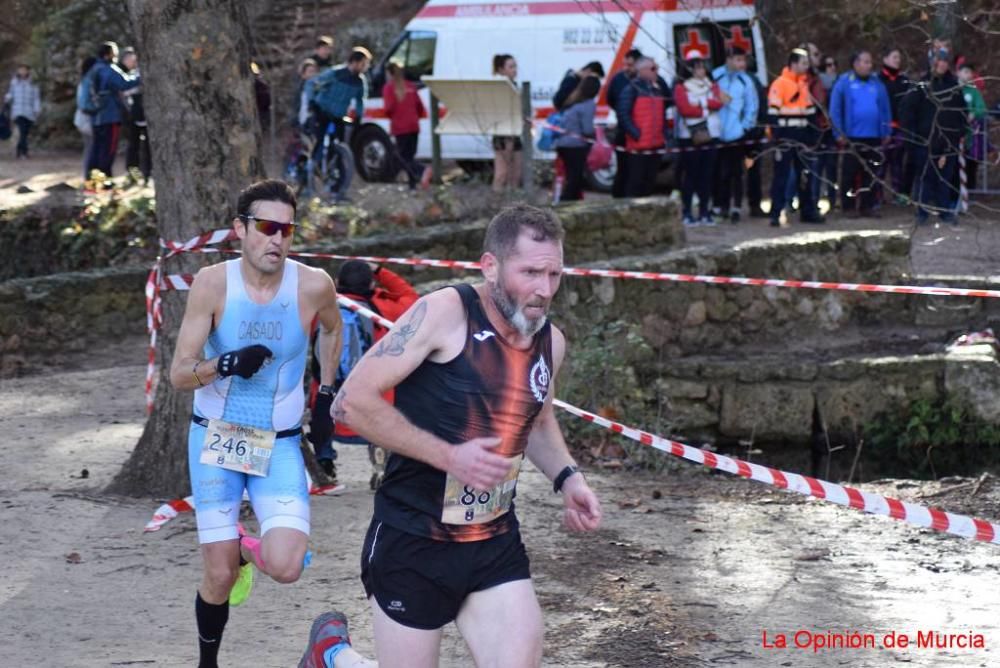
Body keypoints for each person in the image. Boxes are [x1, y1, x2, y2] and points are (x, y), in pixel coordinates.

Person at [334, 203, 602, 668]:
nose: (544, 290)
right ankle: (334, 658)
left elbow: (536, 420)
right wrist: (448, 456)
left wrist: (568, 478)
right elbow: (352, 402)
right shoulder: (444, 313)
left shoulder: (550, 341)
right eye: (531, 272)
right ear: (491, 267)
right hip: (413, 538)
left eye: (555, 274)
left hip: (493, 543)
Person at [168, 179, 343, 668]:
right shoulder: (212, 283)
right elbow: (179, 374)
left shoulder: (313, 285)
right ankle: (208, 663)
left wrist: (326, 393)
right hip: (216, 439)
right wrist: (223, 365)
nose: (277, 240)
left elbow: (333, 329)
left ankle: (248, 550)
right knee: (219, 577)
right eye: (266, 227)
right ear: (239, 230)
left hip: (280, 443)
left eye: (286, 230)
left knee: (287, 566)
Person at [307, 259, 419, 488]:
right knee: (381, 418)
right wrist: (380, 271)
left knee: (322, 407)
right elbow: (411, 297)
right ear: (370, 285)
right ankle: (380, 463)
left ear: (337, 283)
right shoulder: (384, 309)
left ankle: (325, 461)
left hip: (328, 394)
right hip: (372, 394)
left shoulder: (319, 308)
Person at [900, 43, 968, 225]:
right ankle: (922, 212)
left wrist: (959, 132)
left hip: (948, 142)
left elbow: (962, 112)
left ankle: (944, 211)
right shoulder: (921, 87)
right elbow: (907, 113)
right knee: (925, 178)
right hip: (925, 141)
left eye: (946, 61)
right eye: (939, 60)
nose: (942, 64)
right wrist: (913, 138)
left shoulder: (954, 87)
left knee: (945, 178)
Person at [829, 50, 891, 218]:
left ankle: (867, 206)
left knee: (871, 173)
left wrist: (886, 130)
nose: (869, 65)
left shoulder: (877, 84)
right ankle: (848, 206)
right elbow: (835, 110)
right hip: (852, 136)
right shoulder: (843, 83)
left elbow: (885, 109)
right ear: (855, 64)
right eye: (865, 62)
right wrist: (838, 133)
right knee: (849, 173)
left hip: (874, 136)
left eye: (870, 62)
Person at [767, 48, 823, 227]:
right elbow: (773, 114)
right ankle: (775, 213)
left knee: (805, 175)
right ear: (793, 64)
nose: (807, 67)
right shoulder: (780, 84)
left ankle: (807, 211)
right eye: (804, 63)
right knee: (781, 176)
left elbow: (810, 113)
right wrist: (776, 137)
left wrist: (813, 136)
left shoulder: (803, 84)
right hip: (785, 136)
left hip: (802, 136)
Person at [674, 47, 725, 225]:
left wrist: (699, 104)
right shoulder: (681, 87)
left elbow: (720, 102)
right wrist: (706, 107)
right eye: (697, 68)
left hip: (712, 134)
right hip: (690, 136)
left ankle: (705, 211)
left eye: (703, 67)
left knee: (707, 175)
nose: (701, 71)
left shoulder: (713, 85)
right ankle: (687, 212)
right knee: (691, 175)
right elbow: (685, 109)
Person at [712, 47, 758, 223]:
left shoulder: (746, 81)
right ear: (729, 59)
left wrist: (745, 128)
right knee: (719, 172)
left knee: (736, 172)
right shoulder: (716, 76)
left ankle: (736, 207)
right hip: (717, 133)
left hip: (736, 134)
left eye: (743, 60)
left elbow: (751, 107)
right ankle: (720, 205)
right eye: (738, 60)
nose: (741, 64)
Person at [85, 41, 141, 180]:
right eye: (115, 54)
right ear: (109, 54)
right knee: (108, 149)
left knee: (96, 148)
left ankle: (92, 180)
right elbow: (124, 83)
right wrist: (141, 75)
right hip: (109, 115)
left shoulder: (94, 68)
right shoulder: (108, 69)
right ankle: (104, 180)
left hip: (96, 116)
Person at [618, 56, 670, 198]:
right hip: (638, 146)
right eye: (653, 68)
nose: (656, 72)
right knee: (635, 183)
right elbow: (623, 115)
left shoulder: (657, 89)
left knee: (649, 182)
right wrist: (636, 134)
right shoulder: (631, 89)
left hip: (656, 145)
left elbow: (662, 115)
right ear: (642, 70)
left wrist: (664, 136)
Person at [309, 47, 371, 164]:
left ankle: (335, 170)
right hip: (322, 110)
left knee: (339, 143)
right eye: (363, 64)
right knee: (320, 140)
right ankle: (310, 166)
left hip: (338, 115)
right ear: (354, 62)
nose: (365, 67)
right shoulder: (335, 73)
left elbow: (360, 100)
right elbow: (312, 83)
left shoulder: (360, 81)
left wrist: (358, 116)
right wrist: (312, 100)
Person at [382, 62, 431, 189]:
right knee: (410, 156)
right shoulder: (410, 86)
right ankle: (412, 185)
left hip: (400, 127)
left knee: (401, 157)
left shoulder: (389, 88)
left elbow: (388, 108)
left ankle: (422, 170)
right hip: (414, 126)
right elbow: (420, 107)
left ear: (389, 73)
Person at [552, 75, 600, 201]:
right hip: (575, 145)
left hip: (562, 144)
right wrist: (597, 134)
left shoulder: (573, 101)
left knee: (570, 176)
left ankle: (572, 201)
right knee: (575, 178)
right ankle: (565, 203)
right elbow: (587, 129)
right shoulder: (589, 104)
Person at [607, 48, 643, 198]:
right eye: (624, 64)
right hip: (624, 130)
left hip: (642, 131)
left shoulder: (647, 79)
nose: (626, 68)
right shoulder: (618, 80)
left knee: (638, 170)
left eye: (630, 65)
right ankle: (618, 198)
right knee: (623, 168)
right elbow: (611, 100)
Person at [878, 48, 911, 202]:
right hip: (882, 128)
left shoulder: (904, 80)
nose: (897, 60)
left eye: (899, 57)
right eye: (894, 57)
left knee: (898, 163)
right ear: (885, 59)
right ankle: (876, 196)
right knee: (880, 163)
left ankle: (899, 194)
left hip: (899, 128)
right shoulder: (877, 80)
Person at [119, 47, 151, 183]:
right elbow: (125, 92)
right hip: (135, 116)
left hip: (146, 117)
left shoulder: (141, 74)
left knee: (148, 147)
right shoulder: (132, 76)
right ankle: (132, 173)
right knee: (134, 145)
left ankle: (147, 174)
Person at [492, 53, 523, 192]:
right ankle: (495, 204)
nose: (514, 70)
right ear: (501, 70)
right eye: (511, 67)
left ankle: (513, 206)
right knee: (502, 173)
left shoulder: (515, 86)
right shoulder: (498, 87)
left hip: (515, 132)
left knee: (515, 173)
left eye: (515, 66)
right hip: (503, 133)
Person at [814, 55, 840, 206]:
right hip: (819, 131)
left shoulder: (839, 84)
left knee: (832, 168)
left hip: (832, 131)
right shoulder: (817, 85)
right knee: (817, 168)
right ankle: (814, 199)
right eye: (829, 65)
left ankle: (832, 199)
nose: (832, 68)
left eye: (834, 64)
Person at [957, 62, 987, 193]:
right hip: (953, 134)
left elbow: (981, 108)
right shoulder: (952, 89)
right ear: (958, 73)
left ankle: (969, 191)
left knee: (970, 163)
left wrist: (973, 113)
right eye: (965, 72)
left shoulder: (973, 91)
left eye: (970, 72)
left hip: (969, 135)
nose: (968, 75)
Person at [4, 64, 41, 159]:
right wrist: (8, 98)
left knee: (25, 132)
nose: (22, 72)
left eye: (24, 70)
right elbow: (11, 93)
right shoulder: (14, 82)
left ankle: (19, 150)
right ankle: (24, 152)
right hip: (18, 111)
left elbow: (36, 98)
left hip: (29, 111)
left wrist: (37, 109)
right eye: (21, 70)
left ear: (28, 71)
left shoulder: (33, 83)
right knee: (22, 130)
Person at [74, 56, 97, 178]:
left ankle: (88, 176)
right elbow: (84, 104)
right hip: (87, 120)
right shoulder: (88, 82)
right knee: (91, 149)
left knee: (89, 149)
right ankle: (89, 177)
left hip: (82, 120)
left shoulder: (84, 81)